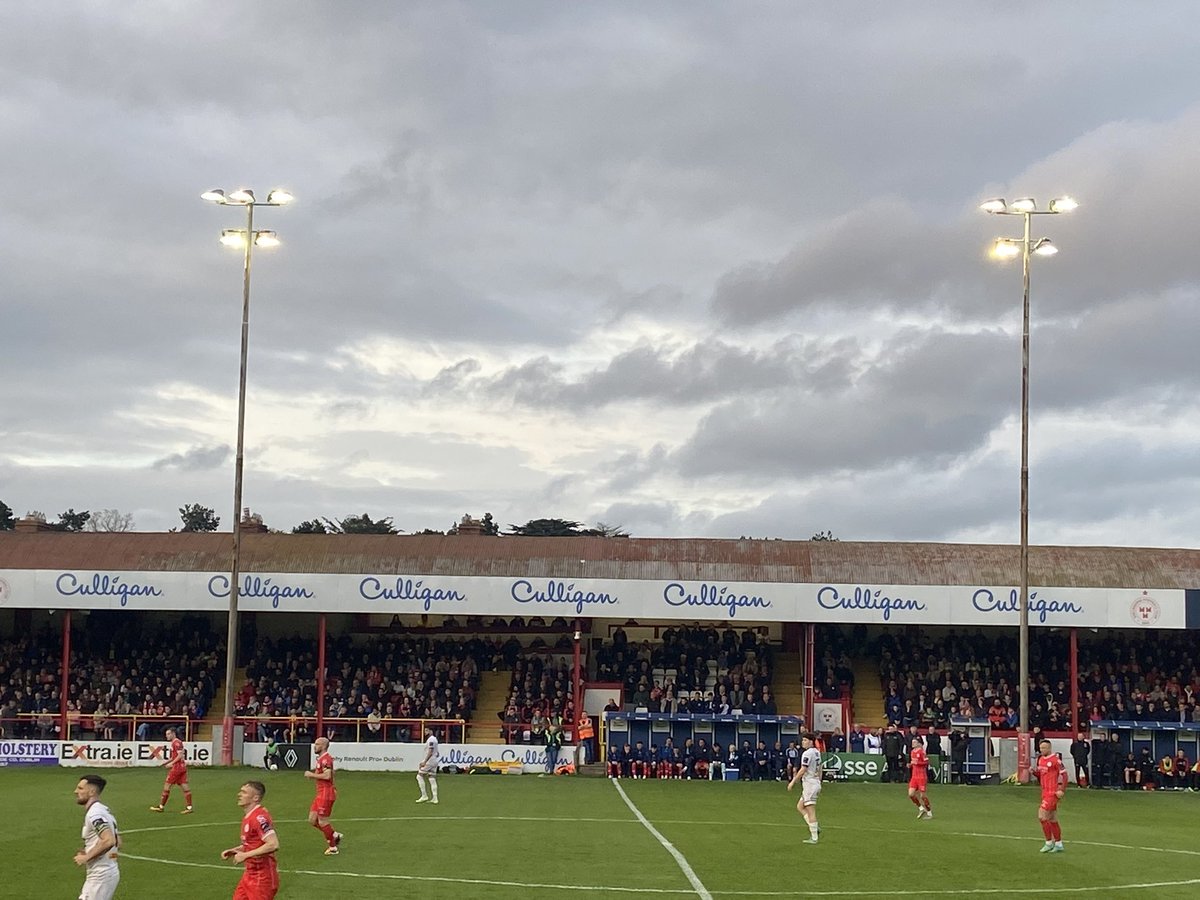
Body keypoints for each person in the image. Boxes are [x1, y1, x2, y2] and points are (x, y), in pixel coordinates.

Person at [221, 780, 279, 899]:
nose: (239, 794)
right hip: (249, 874)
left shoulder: (259, 818)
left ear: (255, 798)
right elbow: (253, 843)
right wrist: (235, 850)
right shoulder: (249, 816)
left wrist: (245, 855)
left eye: (244, 792)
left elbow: (273, 844)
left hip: (262, 878)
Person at [74, 774, 121, 900]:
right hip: (102, 873)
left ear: (92, 792)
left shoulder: (95, 813)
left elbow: (109, 840)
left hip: (101, 875)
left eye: (80, 788)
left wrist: (86, 857)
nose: (76, 791)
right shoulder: (104, 810)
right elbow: (118, 842)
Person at [304, 736, 342, 855]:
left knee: (322, 821)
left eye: (317, 744)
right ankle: (334, 835)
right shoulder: (321, 759)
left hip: (326, 793)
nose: (315, 746)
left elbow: (327, 776)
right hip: (320, 793)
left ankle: (333, 848)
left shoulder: (326, 759)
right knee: (312, 820)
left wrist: (311, 775)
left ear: (323, 746)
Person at [787, 733, 822, 844]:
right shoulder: (817, 752)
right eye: (803, 740)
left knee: (811, 811)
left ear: (811, 742)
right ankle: (814, 827)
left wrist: (793, 781)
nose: (803, 742)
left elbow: (803, 769)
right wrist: (819, 781)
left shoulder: (807, 753)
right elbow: (820, 767)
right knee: (800, 806)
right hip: (814, 782)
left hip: (810, 784)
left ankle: (814, 837)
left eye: (806, 740)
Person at [150, 726, 193, 813]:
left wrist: (171, 764)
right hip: (182, 767)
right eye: (166, 734)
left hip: (177, 768)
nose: (167, 736)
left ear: (173, 733)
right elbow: (175, 756)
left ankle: (161, 807)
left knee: (167, 786)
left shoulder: (176, 743)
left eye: (169, 734)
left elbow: (180, 755)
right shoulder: (177, 742)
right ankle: (189, 808)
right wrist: (166, 762)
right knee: (185, 787)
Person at [1035, 739, 1067, 853]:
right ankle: (1058, 844)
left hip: (1053, 793)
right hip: (1044, 792)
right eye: (1041, 748)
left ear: (1049, 748)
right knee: (1052, 819)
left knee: (1042, 816)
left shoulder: (1055, 760)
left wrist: (1061, 790)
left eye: (1044, 748)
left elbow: (1064, 775)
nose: (1042, 750)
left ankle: (1048, 842)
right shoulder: (1040, 759)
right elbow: (1041, 774)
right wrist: (1033, 772)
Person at [908, 736, 933, 819]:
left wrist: (917, 763)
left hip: (921, 776)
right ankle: (921, 808)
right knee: (911, 794)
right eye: (912, 742)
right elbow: (913, 762)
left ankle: (929, 812)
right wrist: (910, 764)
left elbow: (926, 762)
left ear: (919, 743)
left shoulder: (922, 752)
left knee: (922, 796)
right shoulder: (912, 752)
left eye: (914, 742)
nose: (912, 743)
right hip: (914, 776)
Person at [416, 726, 441, 803]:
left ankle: (424, 795)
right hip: (434, 760)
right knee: (432, 778)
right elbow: (436, 751)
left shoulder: (431, 740)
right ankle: (435, 798)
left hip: (430, 761)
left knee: (419, 776)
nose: (425, 732)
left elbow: (430, 751)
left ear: (431, 731)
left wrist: (424, 762)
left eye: (427, 730)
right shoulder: (434, 739)